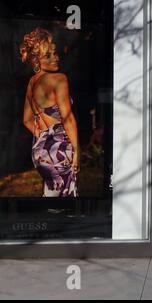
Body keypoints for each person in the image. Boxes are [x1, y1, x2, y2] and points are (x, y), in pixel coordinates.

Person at [20, 28, 79, 197]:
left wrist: (43, 137)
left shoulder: (32, 82)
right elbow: (68, 119)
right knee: (67, 201)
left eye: (54, 53)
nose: (56, 58)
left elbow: (26, 120)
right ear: (36, 60)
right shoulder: (59, 79)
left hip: (39, 152)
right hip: (61, 149)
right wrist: (77, 151)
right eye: (48, 56)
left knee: (51, 197)